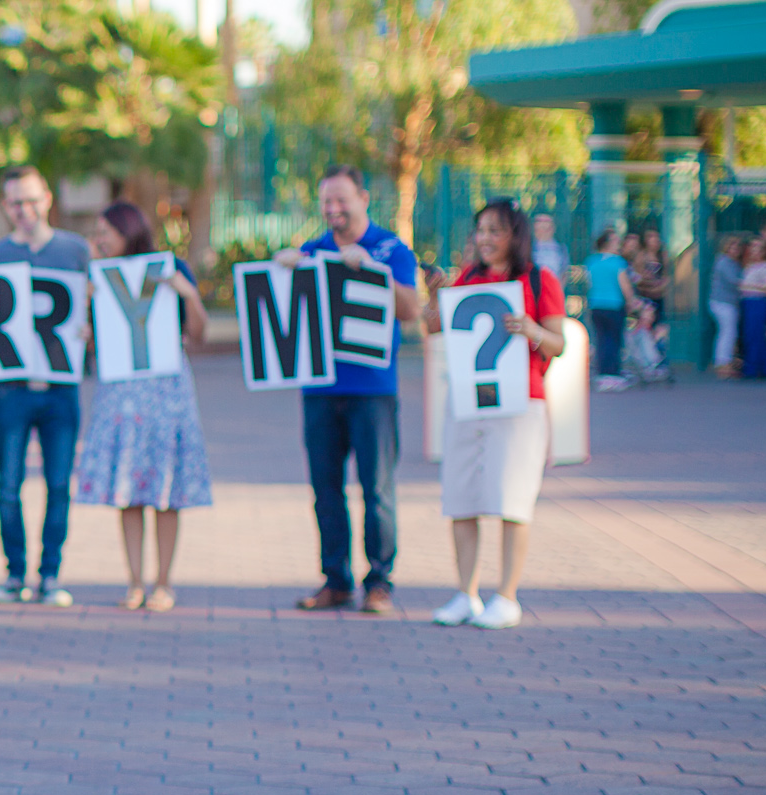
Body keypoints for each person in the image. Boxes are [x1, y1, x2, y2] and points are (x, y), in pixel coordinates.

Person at [272, 165, 419, 616]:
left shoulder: (391, 249)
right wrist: (283, 269)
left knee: (376, 489)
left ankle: (379, 582)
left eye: (341, 200)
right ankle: (335, 579)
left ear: (364, 198)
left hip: (372, 388)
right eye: (326, 202)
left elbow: (411, 310)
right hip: (319, 387)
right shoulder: (313, 249)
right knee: (325, 488)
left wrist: (372, 270)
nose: (333, 210)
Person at [424, 200, 566, 632]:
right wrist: (436, 294)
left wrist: (532, 330)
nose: (484, 239)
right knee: (461, 497)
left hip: (520, 403)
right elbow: (432, 327)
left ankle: (506, 595)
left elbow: (559, 343)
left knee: (511, 500)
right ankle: (465, 593)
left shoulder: (541, 281)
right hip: (469, 400)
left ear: (515, 236)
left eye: (495, 231)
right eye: (480, 230)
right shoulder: (468, 278)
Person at [73, 202, 211, 613]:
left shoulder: (170, 270)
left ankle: (163, 582)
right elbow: (101, 341)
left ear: (128, 232)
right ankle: (135, 582)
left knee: (166, 490)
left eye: (106, 232)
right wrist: (87, 318)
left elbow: (198, 334)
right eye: (97, 232)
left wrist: (189, 297)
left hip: (167, 392)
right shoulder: (97, 280)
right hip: (121, 393)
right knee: (128, 490)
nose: (99, 239)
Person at [0, 166, 92, 608]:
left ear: (47, 198)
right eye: (14, 203)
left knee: (59, 484)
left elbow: (93, 309)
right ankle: (14, 574)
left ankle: (50, 575)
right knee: (8, 486)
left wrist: (89, 332)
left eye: (30, 200)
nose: (24, 210)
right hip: (10, 391)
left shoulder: (75, 251)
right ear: (5, 207)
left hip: (61, 390)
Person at [585, 231, 638, 391]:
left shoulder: (591, 261)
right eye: (615, 241)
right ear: (608, 243)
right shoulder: (618, 262)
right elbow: (625, 285)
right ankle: (612, 374)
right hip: (614, 305)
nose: (618, 244)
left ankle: (602, 374)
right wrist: (632, 301)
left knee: (601, 339)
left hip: (596, 305)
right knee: (614, 339)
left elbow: (589, 283)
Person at [739, 236, 766, 379]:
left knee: (756, 334)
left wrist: (747, 286)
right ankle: (759, 367)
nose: (754, 251)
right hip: (747, 302)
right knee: (749, 335)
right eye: (752, 247)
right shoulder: (748, 266)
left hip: (758, 301)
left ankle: (755, 368)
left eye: (758, 248)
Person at [709, 234, 745, 380]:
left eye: (737, 247)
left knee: (729, 332)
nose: (735, 249)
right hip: (722, 302)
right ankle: (722, 364)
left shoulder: (733, 263)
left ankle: (726, 362)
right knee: (727, 333)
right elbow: (734, 281)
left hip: (728, 303)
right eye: (732, 246)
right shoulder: (723, 262)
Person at [531, 213, 568, 282]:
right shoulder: (528, 247)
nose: (543, 224)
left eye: (546, 222)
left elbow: (564, 273)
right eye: (540, 221)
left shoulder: (561, 249)